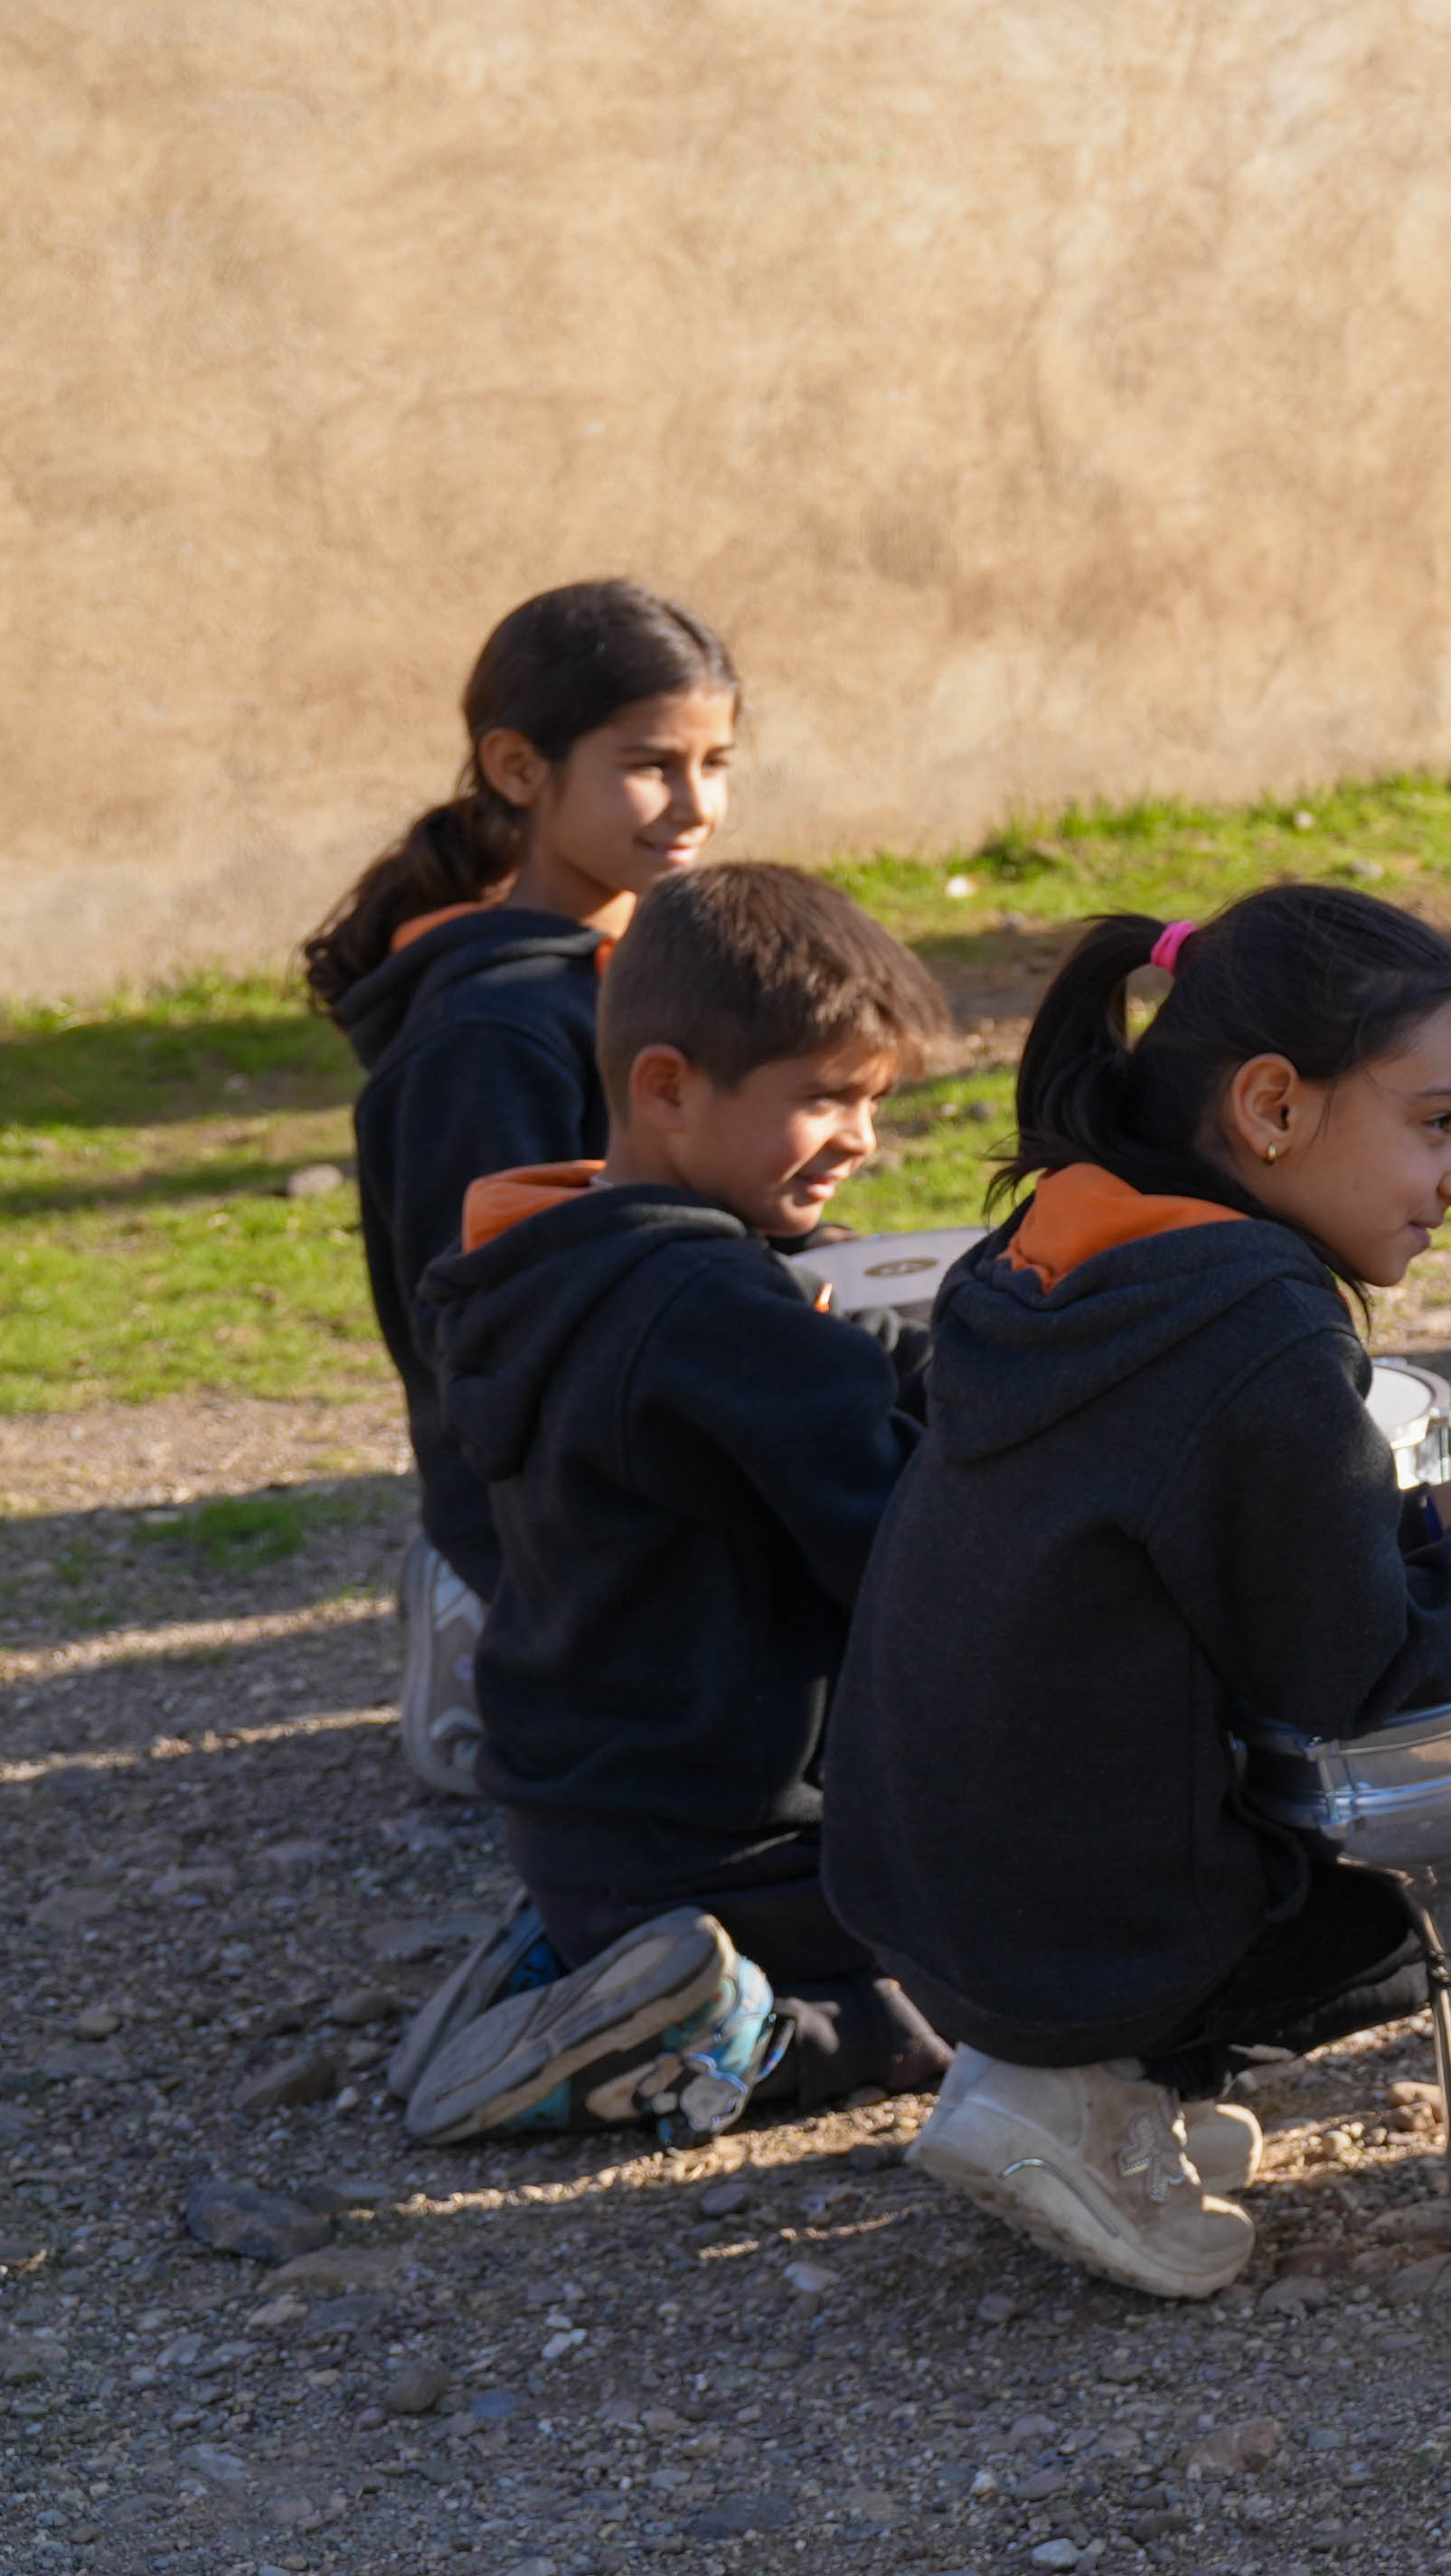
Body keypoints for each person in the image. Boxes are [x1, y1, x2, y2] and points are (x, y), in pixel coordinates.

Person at [826, 889, 1451, 2299]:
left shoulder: (1071, 1250)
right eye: (1435, 1121)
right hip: (1069, 1942)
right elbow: (1358, 1667)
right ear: (1271, 1107)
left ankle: (1083, 2071)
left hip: (932, 1900)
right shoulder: (1252, 1323)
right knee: (1418, 1894)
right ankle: (1080, 2090)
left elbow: (1255, 1559)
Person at [381, 864, 962, 2144]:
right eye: (823, 1097)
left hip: (581, 1834)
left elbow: (805, 1377)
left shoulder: (551, 1267)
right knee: (1051, 1963)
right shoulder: (715, 1316)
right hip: (737, 1857)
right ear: (666, 1087)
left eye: (872, 1100)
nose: (861, 1138)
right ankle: (717, 2031)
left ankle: (578, 1965)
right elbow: (913, 1550)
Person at [307, 580, 746, 1799]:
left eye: (715, 762)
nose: (696, 804)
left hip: (680, 1404)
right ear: (518, 767)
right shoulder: (486, 1039)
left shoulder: (659, 968)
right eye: (650, 765)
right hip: (557, 1485)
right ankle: (483, 1622)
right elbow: (486, 1340)